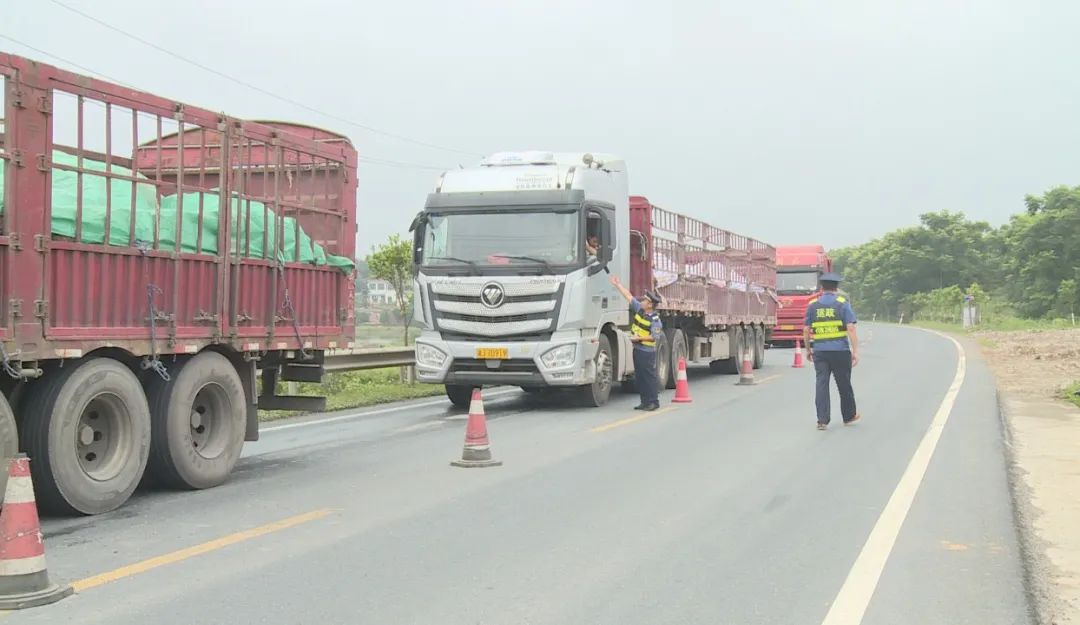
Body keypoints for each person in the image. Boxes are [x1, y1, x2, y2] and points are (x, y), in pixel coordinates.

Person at [804, 272, 860, 430]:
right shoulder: (842, 303)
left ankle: (822, 420)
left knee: (821, 384)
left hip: (820, 351)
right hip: (840, 351)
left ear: (821, 287)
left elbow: (806, 329)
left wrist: (809, 349)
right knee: (844, 384)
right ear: (837, 287)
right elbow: (850, 327)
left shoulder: (813, 305)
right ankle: (849, 416)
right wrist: (855, 351)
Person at [610, 275, 664, 410]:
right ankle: (644, 402)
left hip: (647, 352)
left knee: (649, 378)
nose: (642, 301)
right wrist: (618, 285)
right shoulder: (640, 310)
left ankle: (653, 402)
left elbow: (654, 337)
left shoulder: (655, 320)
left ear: (650, 305)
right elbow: (628, 296)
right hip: (638, 350)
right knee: (640, 378)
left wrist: (639, 338)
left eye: (645, 300)